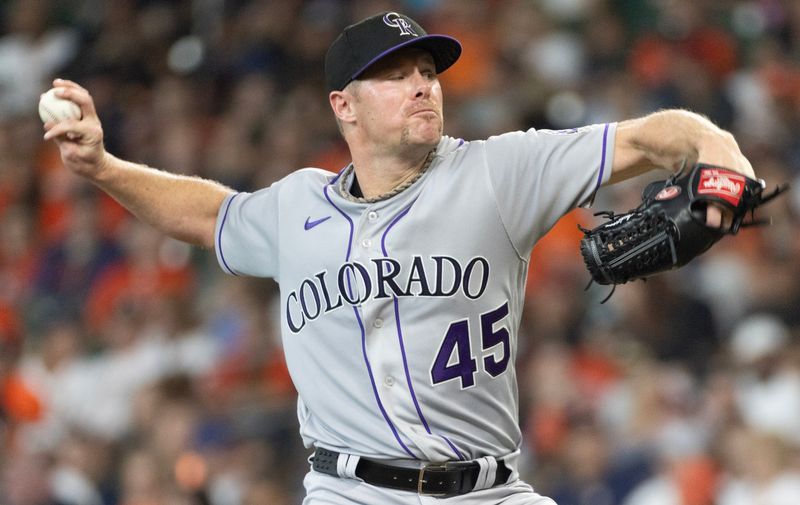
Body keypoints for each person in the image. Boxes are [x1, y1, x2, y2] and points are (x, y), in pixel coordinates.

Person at [43, 11, 756, 505]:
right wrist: (104, 167)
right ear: (343, 107)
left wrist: (724, 166)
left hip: (490, 487)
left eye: (427, 69)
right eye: (395, 75)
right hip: (349, 489)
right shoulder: (297, 208)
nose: (421, 83)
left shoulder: (499, 172)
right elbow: (207, 214)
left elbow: (663, 132)